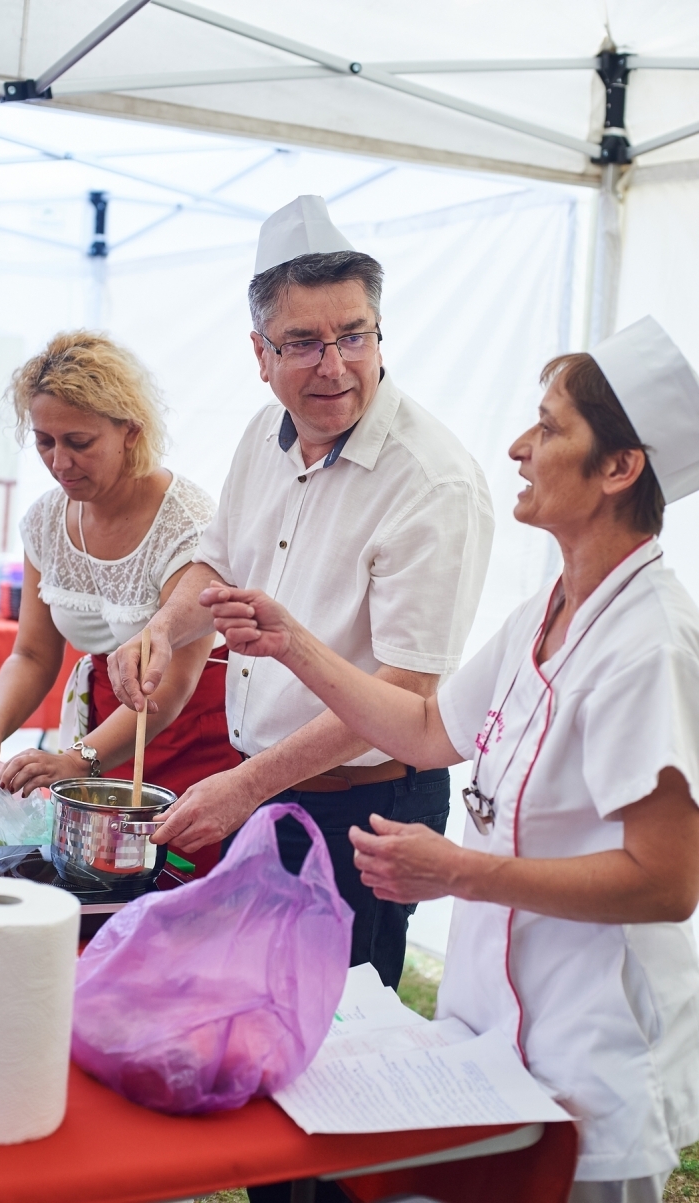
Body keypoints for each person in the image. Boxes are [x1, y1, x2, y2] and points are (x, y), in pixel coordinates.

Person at [205, 315, 699, 1201]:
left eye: (549, 429)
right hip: (493, 1038)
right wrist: (294, 643)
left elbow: (667, 882)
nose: (518, 446)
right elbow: (432, 727)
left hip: (594, 1056)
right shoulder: (549, 610)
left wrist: (458, 870)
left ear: (620, 469)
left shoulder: (649, 644)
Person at [108, 194, 494, 988]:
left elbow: (405, 690)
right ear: (259, 352)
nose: (335, 364)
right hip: (264, 787)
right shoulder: (263, 432)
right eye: (304, 342)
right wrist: (162, 629)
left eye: (354, 335)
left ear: (379, 332)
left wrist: (246, 783)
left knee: (336, 1038)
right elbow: (215, 566)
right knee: (247, 1006)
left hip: (368, 809)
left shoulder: (434, 482)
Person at [0, 331, 240, 876]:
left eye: (79, 441)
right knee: (95, 876)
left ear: (129, 433)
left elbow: (176, 679)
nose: (59, 461)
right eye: (44, 441)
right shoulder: (45, 520)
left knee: (175, 882)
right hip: (101, 723)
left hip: (190, 725)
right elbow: (34, 656)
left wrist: (79, 760)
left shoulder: (187, 523)